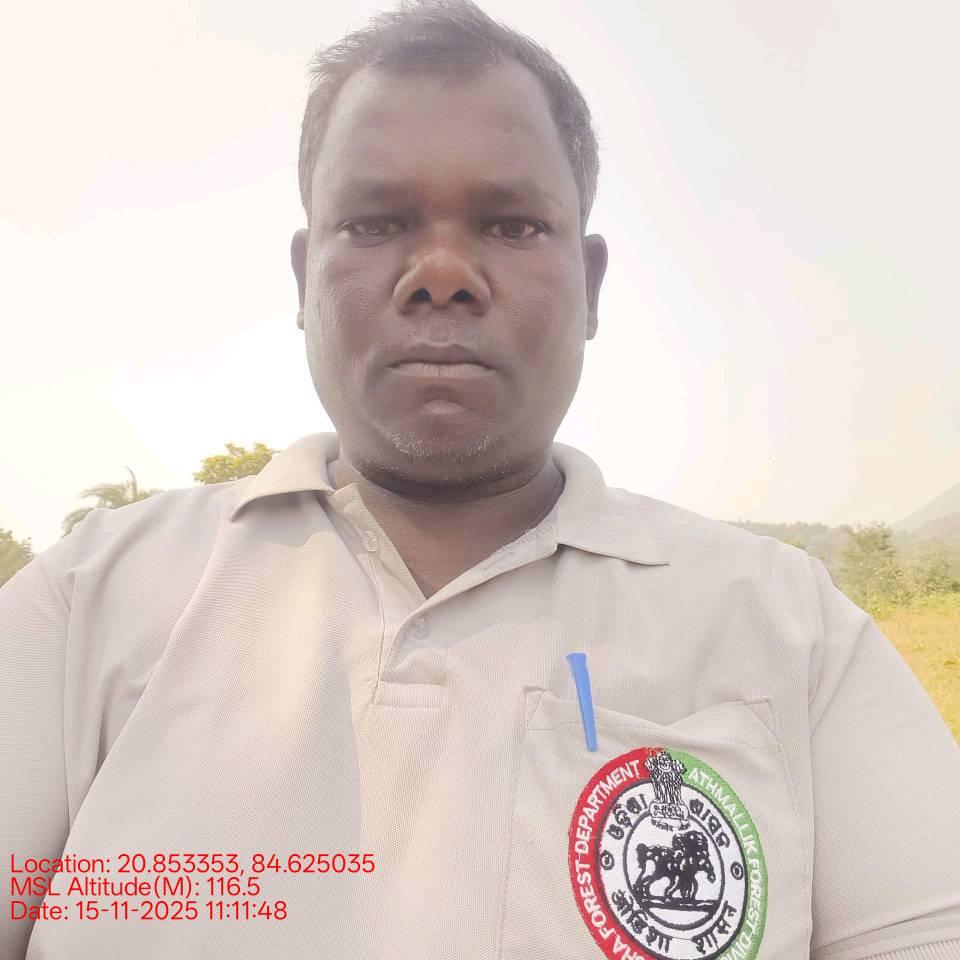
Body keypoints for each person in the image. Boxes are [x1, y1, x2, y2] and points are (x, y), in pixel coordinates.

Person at [2, 1, 959, 958]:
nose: (442, 272)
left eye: (510, 224)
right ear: (303, 277)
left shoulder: (790, 628)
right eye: (375, 223)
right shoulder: (92, 599)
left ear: (590, 284)